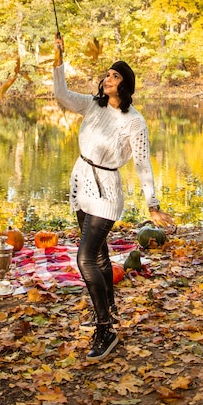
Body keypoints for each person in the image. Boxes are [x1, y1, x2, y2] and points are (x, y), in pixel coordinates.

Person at [53, 34, 175, 362]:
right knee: (100, 257)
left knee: (85, 259)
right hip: (81, 181)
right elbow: (62, 95)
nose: (108, 78)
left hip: (107, 190)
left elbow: (142, 162)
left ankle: (104, 329)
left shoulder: (134, 122)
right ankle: (112, 313)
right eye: (107, 74)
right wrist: (58, 59)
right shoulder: (92, 105)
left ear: (125, 85)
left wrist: (153, 204)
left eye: (115, 75)